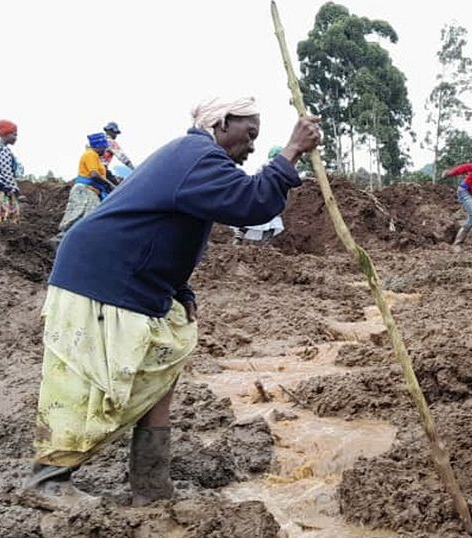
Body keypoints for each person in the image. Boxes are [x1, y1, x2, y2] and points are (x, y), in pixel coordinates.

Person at [22, 96, 321, 509]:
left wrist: (179, 289)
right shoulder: (198, 156)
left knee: (163, 363)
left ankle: (151, 485)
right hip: (102, 278)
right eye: (249, 134)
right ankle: (48, 482)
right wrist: (291, 152)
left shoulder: (195, 160)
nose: (252, 146)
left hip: (130, 279)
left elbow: (164, 228)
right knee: (89, 381)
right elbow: (252, 205)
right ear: (222, 124)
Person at [53, 133, 115, 242]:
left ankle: (75, 241)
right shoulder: (91, 155)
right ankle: (61, 239)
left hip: (91, 191)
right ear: (99, 146)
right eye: (104, 147)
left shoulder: (95, 157)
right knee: (78, 215)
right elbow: (94, 174)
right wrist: (109, 184)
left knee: (89, 218)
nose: (105, 150)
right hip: (85, 190)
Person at [231, 146, 288, 245]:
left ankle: (239, 237)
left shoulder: (264, 166)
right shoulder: (277, 167)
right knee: (271, 222)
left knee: (250, 217)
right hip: (270, 199)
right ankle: (265, 244)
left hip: (258, 195)